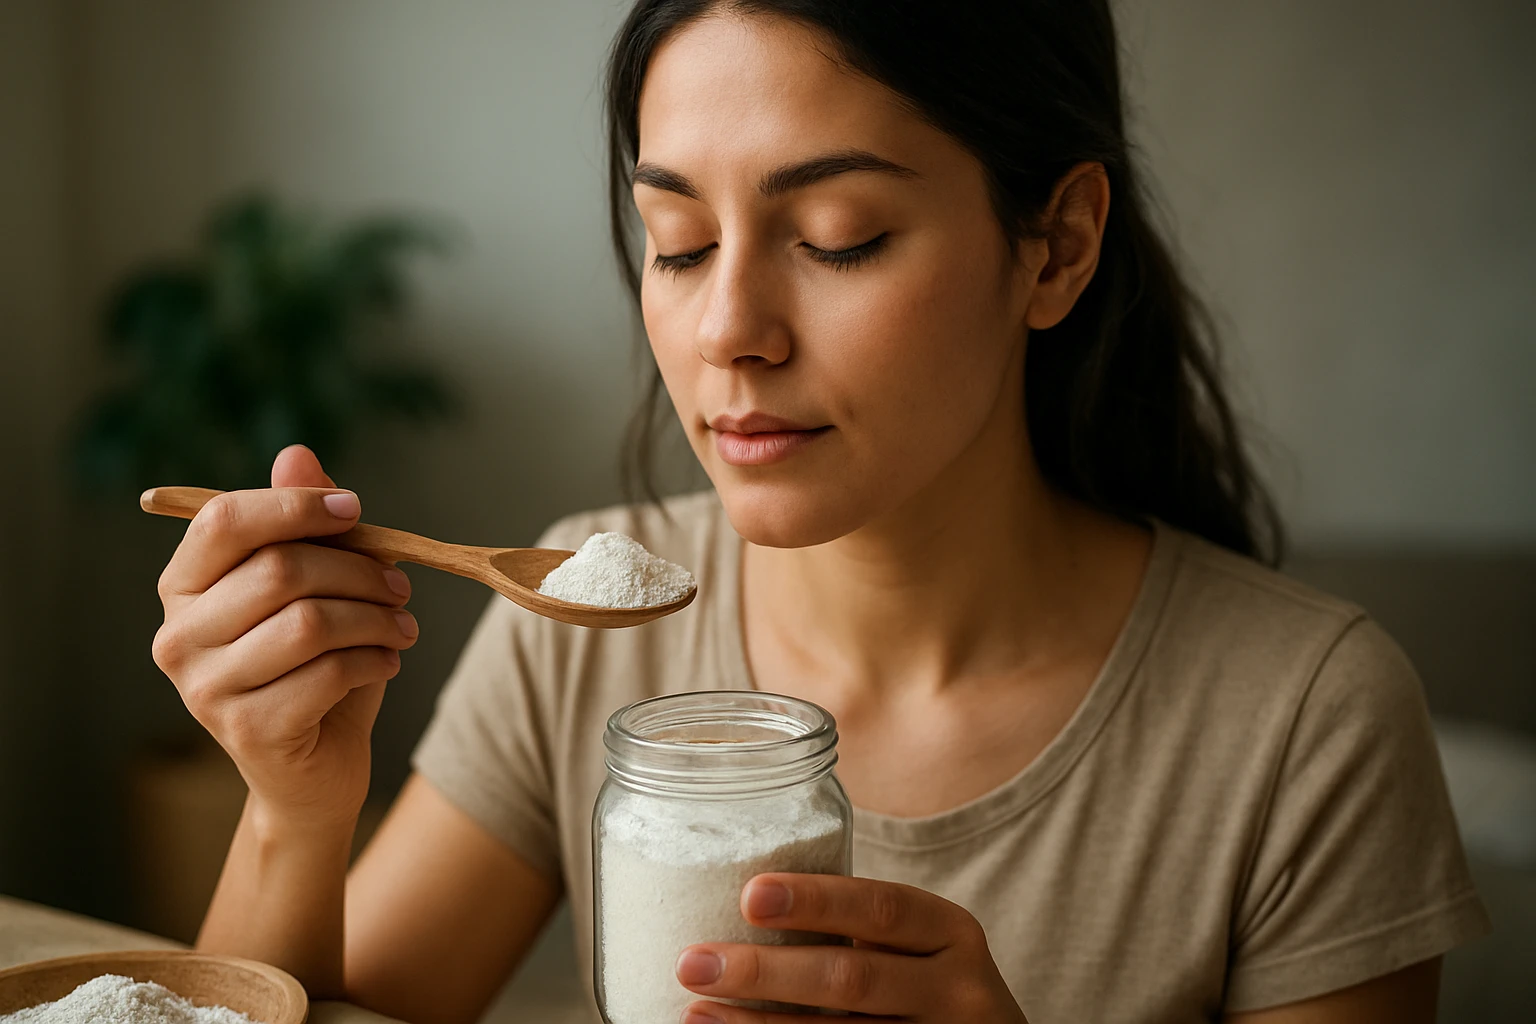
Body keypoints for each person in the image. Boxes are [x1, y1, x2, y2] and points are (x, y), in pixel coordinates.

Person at [147, 2, 1489, 1022]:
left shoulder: (1307, 722)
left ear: (1058, 246)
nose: (727, 330)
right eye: (676, 244)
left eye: (840, 233)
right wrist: (292, 812)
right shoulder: (579, 610)